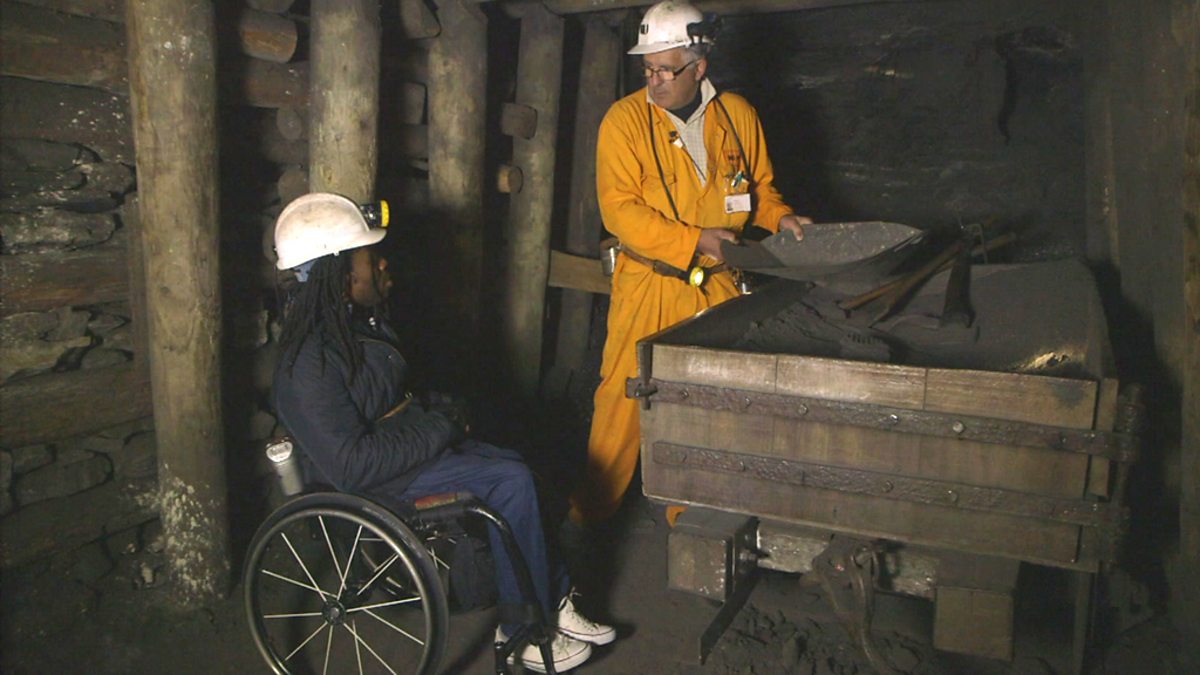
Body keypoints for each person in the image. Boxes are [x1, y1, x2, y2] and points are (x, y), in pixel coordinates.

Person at [270, 192, 615, 673]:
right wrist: (441, 425)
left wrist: (442, 412)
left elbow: (384, 397)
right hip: (375, 480)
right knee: (510, 481)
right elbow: (352, 465)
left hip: (402, 453)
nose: (382, 263)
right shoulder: (308, 364)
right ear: (341, 275)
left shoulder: (354, 325)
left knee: (520, 466)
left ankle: (551, 601)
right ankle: (520, 630)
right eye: (370, 257)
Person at [569, 0, 812, 525]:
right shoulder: (624, 122)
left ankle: (691, 520)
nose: (654, 81)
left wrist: (782, 218)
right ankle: (587, 523)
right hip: (650, 284)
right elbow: (621, 212)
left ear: (699, 67)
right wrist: (695, 239)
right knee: (623, 399)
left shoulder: (738, 116)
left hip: (719, 284)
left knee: (707, 400)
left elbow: (758, 191)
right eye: (648, 70)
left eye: (666, 70)